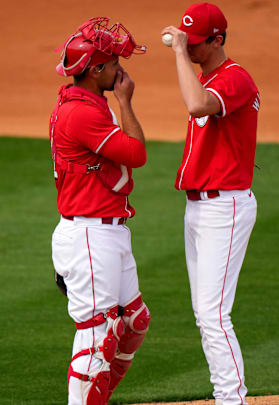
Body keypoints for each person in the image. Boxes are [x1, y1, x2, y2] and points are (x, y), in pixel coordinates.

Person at [161, 3, 260, 405]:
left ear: (218, 40)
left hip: (226, 208)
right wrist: (186, 53)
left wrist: (179, 52)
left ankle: (231, 400)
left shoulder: (236, 79)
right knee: (205, 315)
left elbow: (197, 104)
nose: (193, 49)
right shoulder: (207, 76)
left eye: (199, 44)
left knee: (215, 315)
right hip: (199, 208)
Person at [49, 17, 151, 405]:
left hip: (107, 231)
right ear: (95, 70)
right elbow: (136, 153)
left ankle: (97, 399)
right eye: (112, 63)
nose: (120, 69)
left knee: (132, 322)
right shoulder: (83, 114)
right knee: (97, 335)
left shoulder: (86, 102)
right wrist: (126, 101)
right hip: (90, 236)